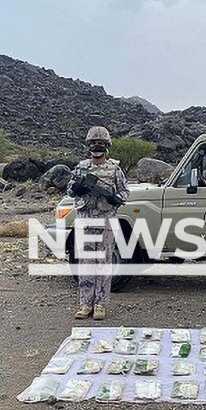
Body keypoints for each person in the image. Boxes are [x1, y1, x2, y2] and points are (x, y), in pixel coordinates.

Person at [67, 126, 130, 320]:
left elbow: (125, 192)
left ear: (107, 147)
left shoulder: (114, 169)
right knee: (86, 262)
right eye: (94, 144)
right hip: (85, 219)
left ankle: (100, 305)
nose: (97, 147)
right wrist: (76, 188)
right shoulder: (81, 167)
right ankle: (85, 304)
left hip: (105, 220)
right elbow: (69, 190)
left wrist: (115, 198)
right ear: (88, 146)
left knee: (103, 262)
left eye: (101, 144)